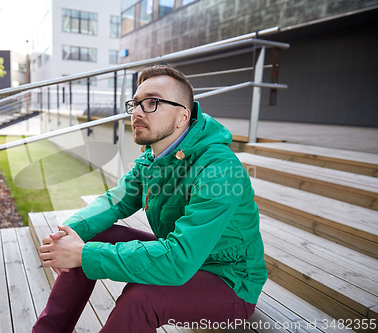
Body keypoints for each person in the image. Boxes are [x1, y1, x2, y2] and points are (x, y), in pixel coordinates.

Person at [33, 65, 267, 333]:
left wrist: (83, 255)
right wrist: (66, 236)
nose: (137, 112)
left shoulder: (219, 169)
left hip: (229, 281)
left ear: (183, 117)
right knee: (88, 235)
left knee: (141, 298)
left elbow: (179, 260)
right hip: (186, 257)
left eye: (152, 103)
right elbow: (114, 202)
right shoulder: (152, 159)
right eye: (135, 103)